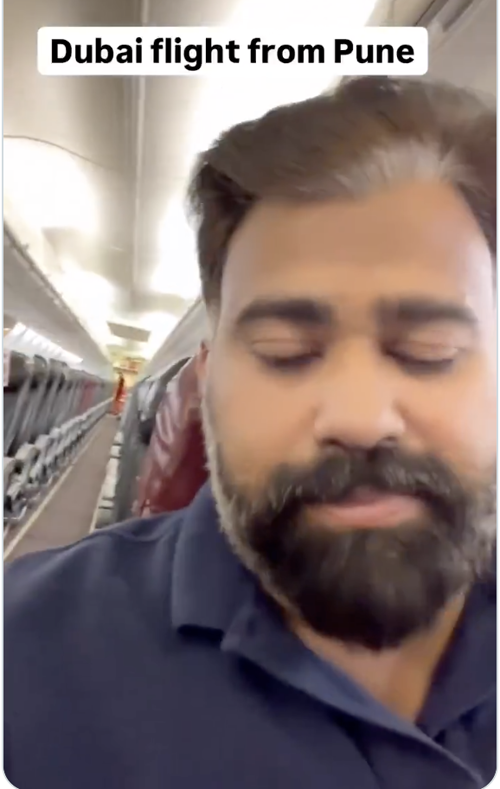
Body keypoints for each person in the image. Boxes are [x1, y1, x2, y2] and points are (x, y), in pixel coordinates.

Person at [5, 77, 496, 789]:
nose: (359, 417)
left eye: (430, 351)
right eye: (284, 352)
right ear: (205, 384)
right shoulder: (25, 654)